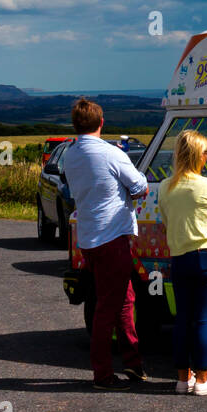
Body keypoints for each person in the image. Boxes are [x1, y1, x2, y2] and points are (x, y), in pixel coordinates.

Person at [60, 99, 150, 390]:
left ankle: (133, 363)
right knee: (107, 308)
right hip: (113, 236)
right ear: (102, 122)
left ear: (76, 124)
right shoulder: (112, 154)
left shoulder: (70, 154)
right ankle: (102, 374)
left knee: (124, 300)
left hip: (89, 236)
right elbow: (141, 188)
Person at [157, 129, 207, 395]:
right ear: (201, 156)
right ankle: (202, 379)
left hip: (180, 258)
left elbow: (166, 221)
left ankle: (181, 378)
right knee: (204, 321)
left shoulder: (165, 187)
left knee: (182, 319)